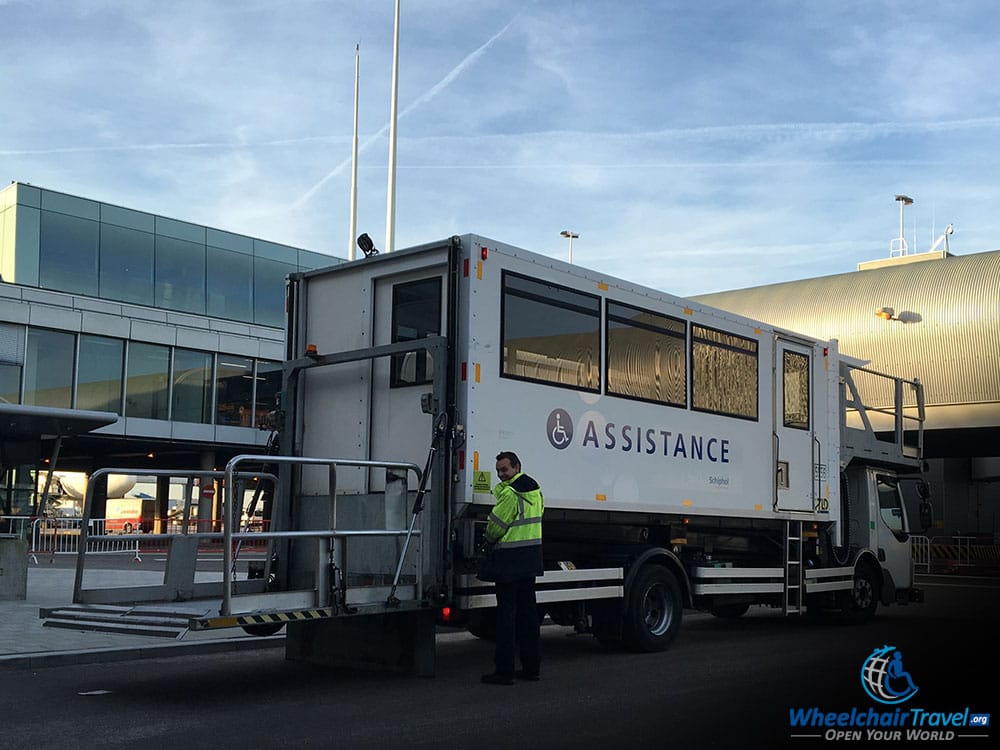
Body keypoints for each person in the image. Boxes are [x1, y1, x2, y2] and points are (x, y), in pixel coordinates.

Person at [479, 451, 544, 685]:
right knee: (528, 617)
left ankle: (504, 671)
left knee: (506, 618)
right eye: (498, 471)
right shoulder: (536, 492)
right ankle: (531, 668)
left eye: (504, 470)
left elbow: (495, 528)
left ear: (517, 467)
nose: (500, 475)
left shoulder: (509, 494)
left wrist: (486, 541)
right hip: (530, 559)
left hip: (509, 561)